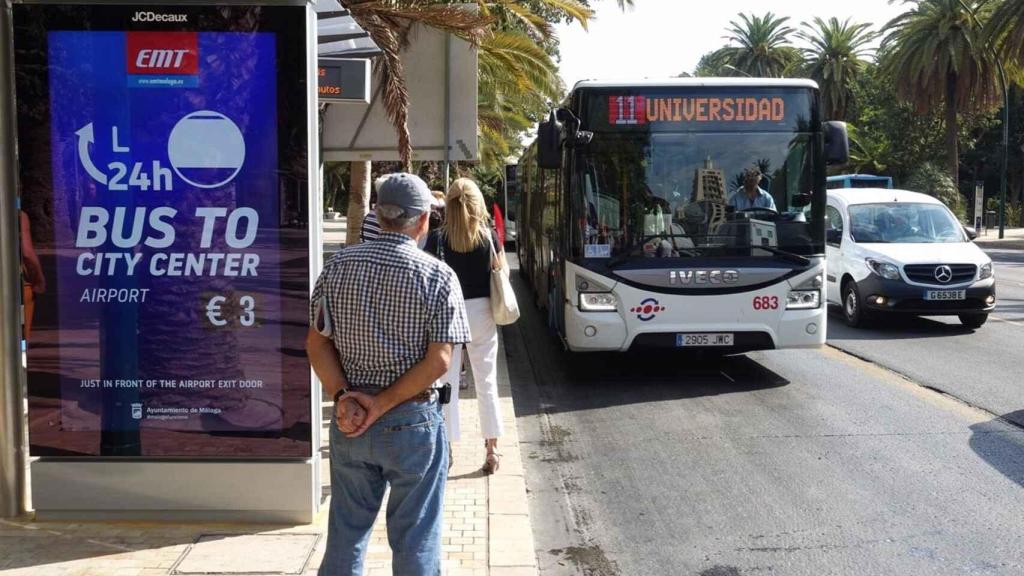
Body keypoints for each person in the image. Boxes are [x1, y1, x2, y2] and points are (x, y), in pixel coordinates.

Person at [308, 172, 471, 576]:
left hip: (350, 423)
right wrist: (380, 405)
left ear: (379, 217)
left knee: (346, 534)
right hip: (412, 423)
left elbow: (316, 344)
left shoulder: (337, 267)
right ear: (422, 221)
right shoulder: (437, 276)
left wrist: (345, 397)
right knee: (415, 537)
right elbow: (439, 361)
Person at [426, 178, 506, 475]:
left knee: (445, 384)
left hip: (448, 313)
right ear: (477, 204)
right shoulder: (487, 237)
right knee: (487, 381)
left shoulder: (438, 239)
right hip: (482, 312)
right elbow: (500, 272)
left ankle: (446, 448)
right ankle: (492, 449)